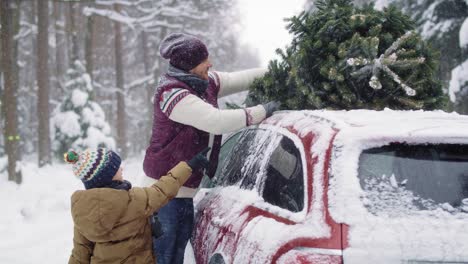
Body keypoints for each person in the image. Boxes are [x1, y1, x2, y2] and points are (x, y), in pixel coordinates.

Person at [142, 32, 280, 264]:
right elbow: (215, 120)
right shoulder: (172, 94)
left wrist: (279, 69)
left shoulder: (204, 81)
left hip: (183, 192)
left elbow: (241, 78)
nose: (210, 63)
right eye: (204, 60)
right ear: (189, 66)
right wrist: (261, 111)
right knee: (162, 258)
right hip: (162, 195)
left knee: (175, 257)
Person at [67, 147, 210, 264]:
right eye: (116, 167)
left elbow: (80, 253)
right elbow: (161, 190)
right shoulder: (132, 200)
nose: (121, 169)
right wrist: (189, 166)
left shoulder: (83, 212)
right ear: (106, 176)